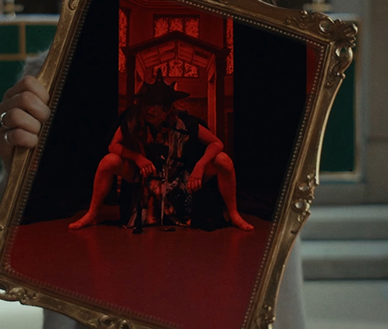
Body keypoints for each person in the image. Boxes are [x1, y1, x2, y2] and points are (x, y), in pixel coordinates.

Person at [0, 0, 306, 327]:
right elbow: (14, 254)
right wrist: (18, 175)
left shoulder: (271, 92)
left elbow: (278, 272)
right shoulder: (60, 75)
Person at [68, 70, 253, 231]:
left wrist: (200, 166)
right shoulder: (134, 119)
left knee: (223, 160)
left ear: (168, 108)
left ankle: (234, 214)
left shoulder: (185, 122)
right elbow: (113, 146)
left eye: (158, 105)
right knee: (109, 161)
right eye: (149, 104)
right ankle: (92, 214)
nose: (152, 110)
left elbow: (217, 143)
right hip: (144, 177)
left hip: (180, 180)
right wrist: (137, 158)